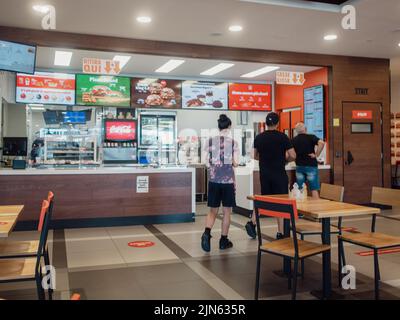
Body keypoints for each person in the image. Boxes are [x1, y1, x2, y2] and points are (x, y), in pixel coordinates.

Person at [245, 112, 296, 240]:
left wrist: (263, 159)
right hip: (279, 174)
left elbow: (253, 155)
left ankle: (252, 222)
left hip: (265, 174)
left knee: (265, 200)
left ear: (266, 124)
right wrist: (285, 160)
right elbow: (293, 155)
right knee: (282, 202)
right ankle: (280, 232)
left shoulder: (259, 137)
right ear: (278, 123)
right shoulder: (283, 137)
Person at [201, 114, 239, 252]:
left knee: (212, 211)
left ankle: (206, 233)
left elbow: (205, 162)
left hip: (214, 180)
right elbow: (236, 162)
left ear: (218, 127)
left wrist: (213, 166)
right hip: (228, 181)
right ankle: (223, 240)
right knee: (227, 212)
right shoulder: (233, 142)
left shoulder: (209, 141)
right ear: (229, 127)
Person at [292, 122, 326, 199]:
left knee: (299, 189)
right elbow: (321, 143)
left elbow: (291, 153)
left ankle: (300, 209)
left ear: (296, 131)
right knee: (314, 189)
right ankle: (316, 209)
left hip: (299, 166)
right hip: (311, 166)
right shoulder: (311, 137)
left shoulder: (293, 140)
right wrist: (316, 154)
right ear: (306, 129)